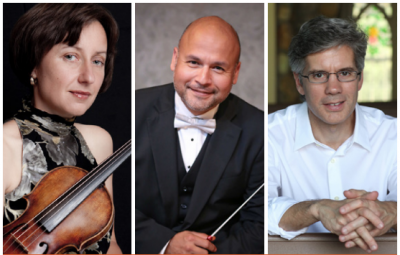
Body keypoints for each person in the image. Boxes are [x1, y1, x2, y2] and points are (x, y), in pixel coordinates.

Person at [135, 16, 264, 254]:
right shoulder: (132, 109)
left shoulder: (260, 130)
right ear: (175, 59)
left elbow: (258, 225)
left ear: (235, 72)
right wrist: (163, 245)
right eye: (193, 62)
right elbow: (112, 202)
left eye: (218, 68)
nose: (203, 80)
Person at [268, 16, 397, 253]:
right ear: (299, 83)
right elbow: (257, 208)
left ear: (360, 78)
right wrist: (316, 209)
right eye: (319, 75)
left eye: (345, 73)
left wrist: (391, 211)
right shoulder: (269, 135)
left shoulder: (393, 133)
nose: (333, 88)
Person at [3, 4, 122, 254]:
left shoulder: (100, 142)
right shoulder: (5, 147)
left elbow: (109, 244)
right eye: (71, 56)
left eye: (98, 61)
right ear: (34, 65)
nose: (88, 76)